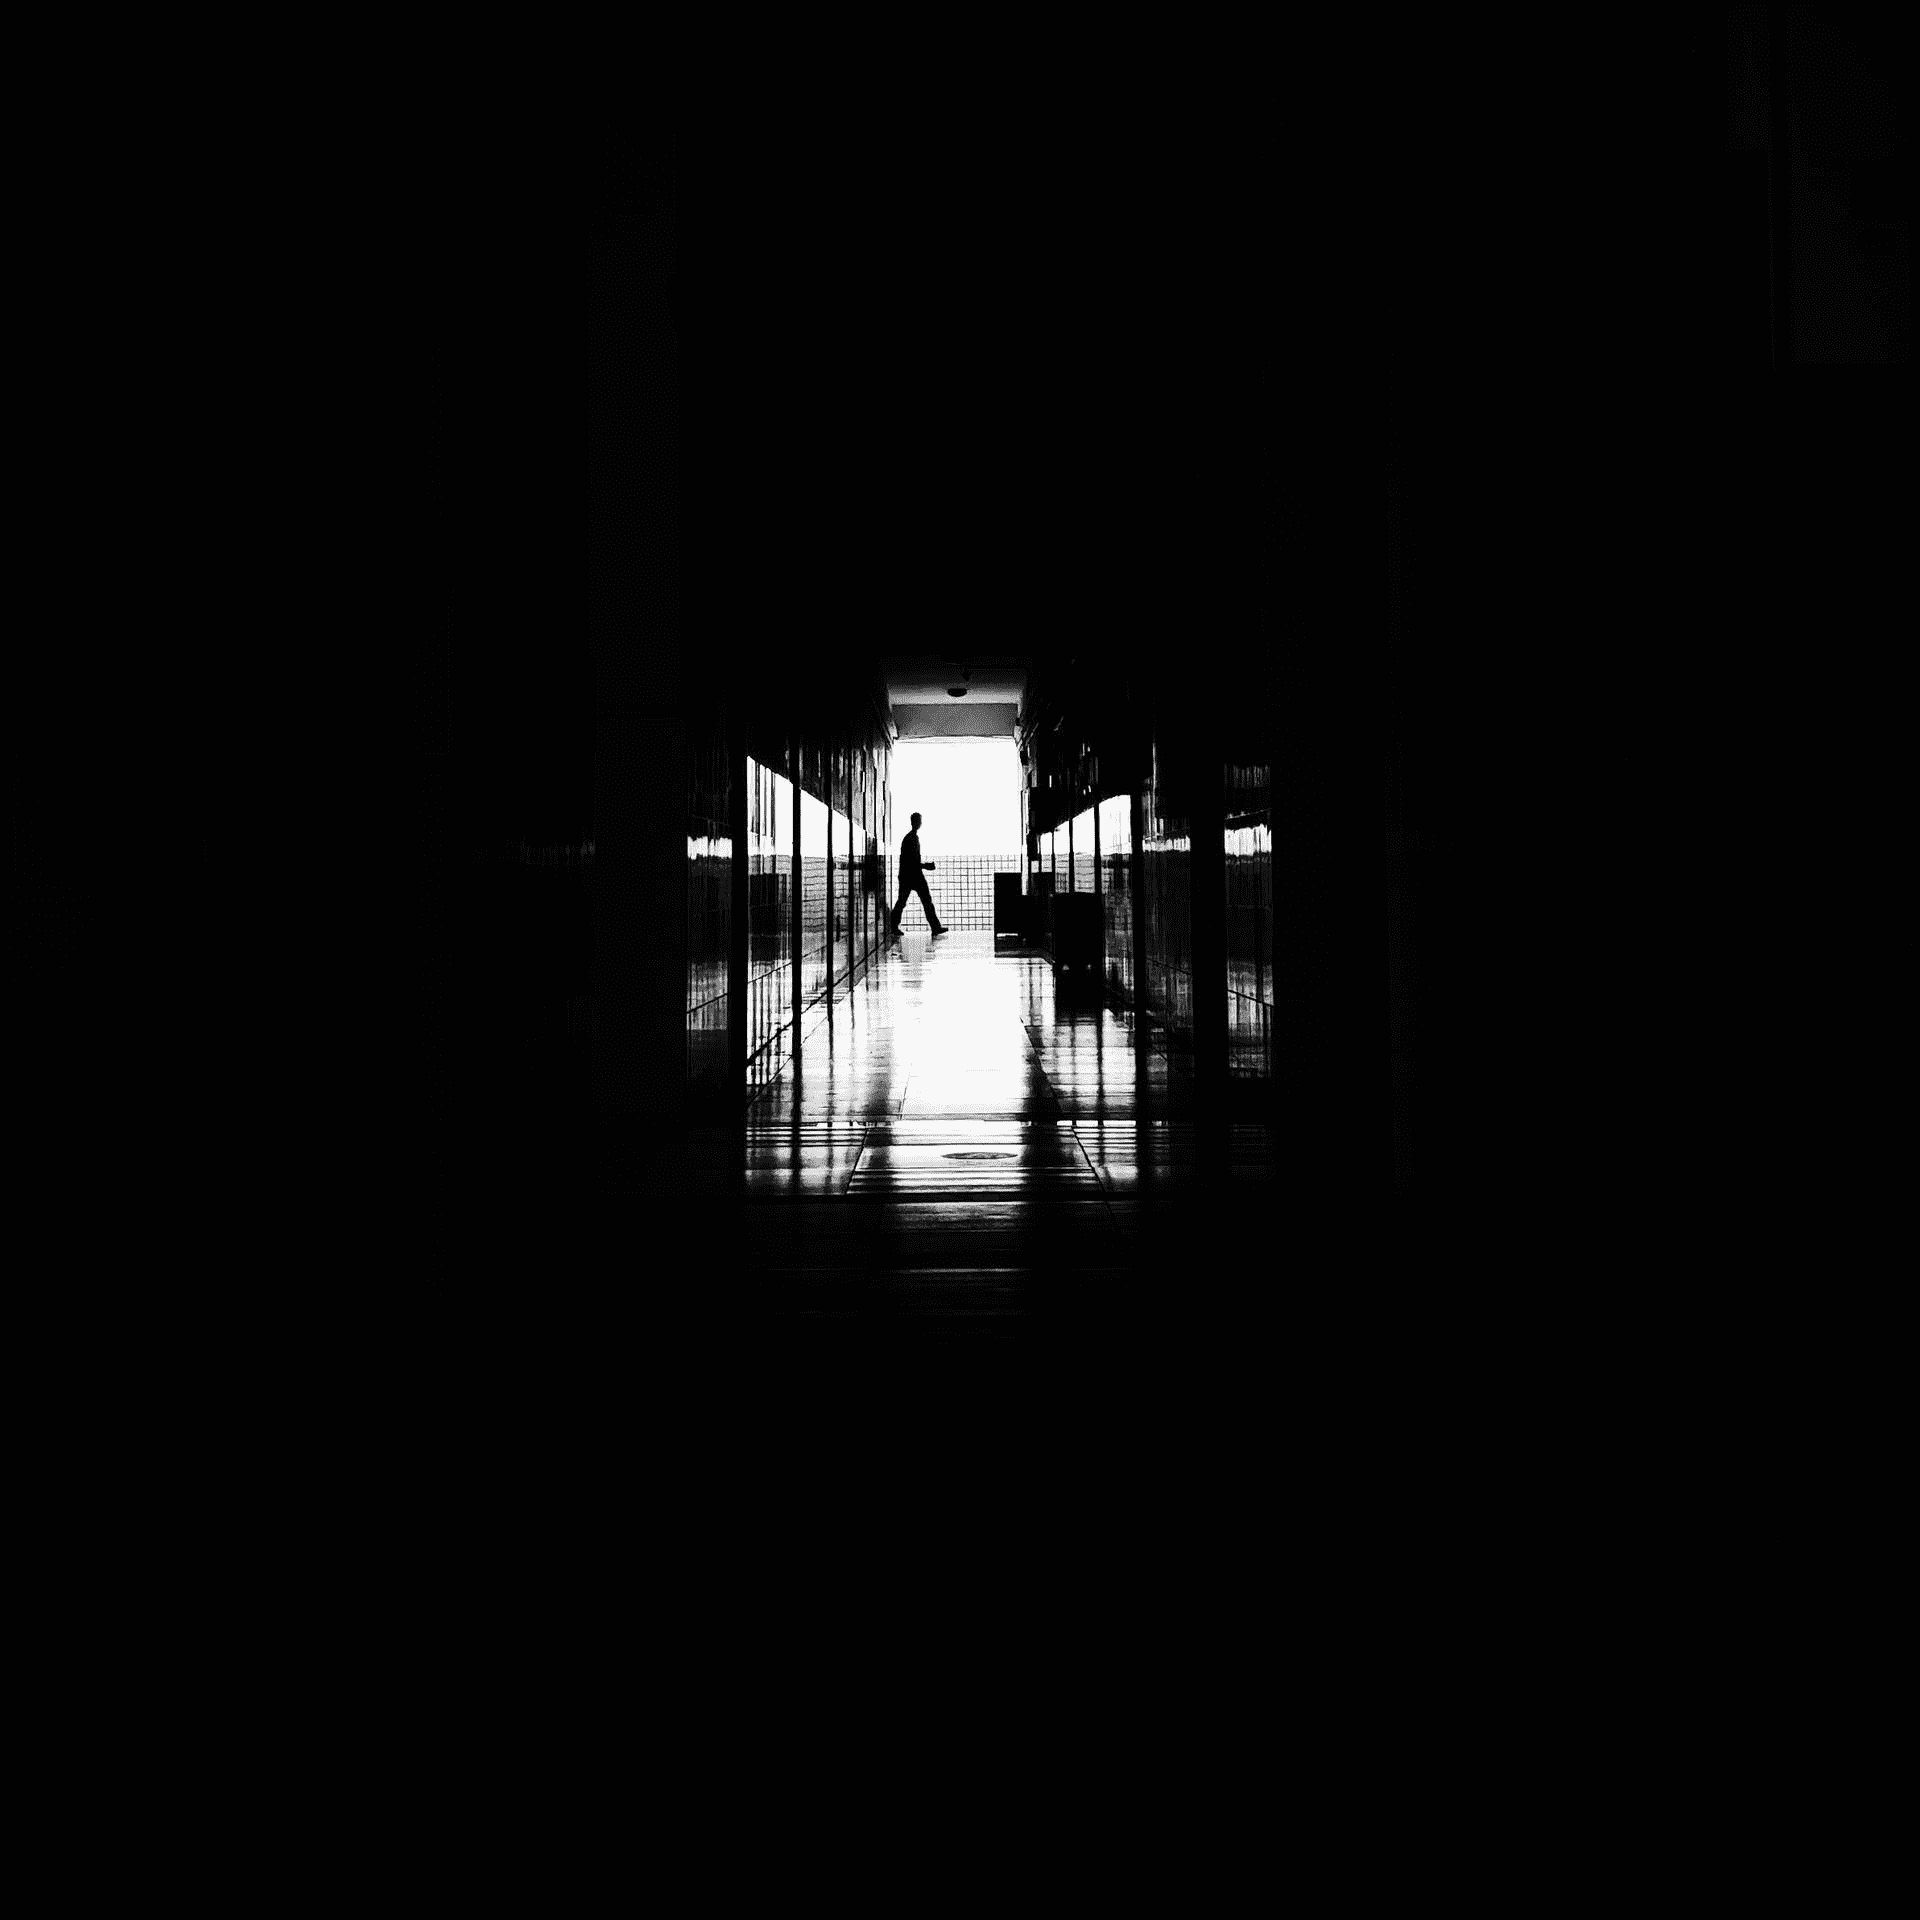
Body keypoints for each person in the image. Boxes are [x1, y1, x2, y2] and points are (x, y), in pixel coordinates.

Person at [888, 812, 946, 941]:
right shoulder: (911, 838)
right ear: (916, 822)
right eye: (919, 821)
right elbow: (911, 860)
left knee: (903, 902)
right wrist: (926, 866)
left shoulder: (910, 837)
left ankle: (893, 926)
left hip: (908, 875)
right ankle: (935, 927)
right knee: (925, 901)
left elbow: (909, 860)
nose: (919, 823)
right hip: (913, 875)